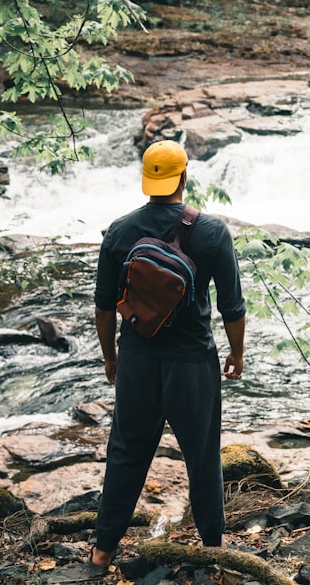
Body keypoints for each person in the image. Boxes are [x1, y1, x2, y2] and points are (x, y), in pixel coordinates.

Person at [90, 140, 246, 568]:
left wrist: (111, 357)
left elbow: (104, 305)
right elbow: (232, 305)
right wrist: (237, 352)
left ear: (147, 176)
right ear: (184, 174)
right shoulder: (211, 232)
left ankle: (103, 551)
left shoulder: (120, 231)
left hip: (138, 358)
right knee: (202, 456)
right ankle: (213, 550)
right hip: (193, 363)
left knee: (126, 451)